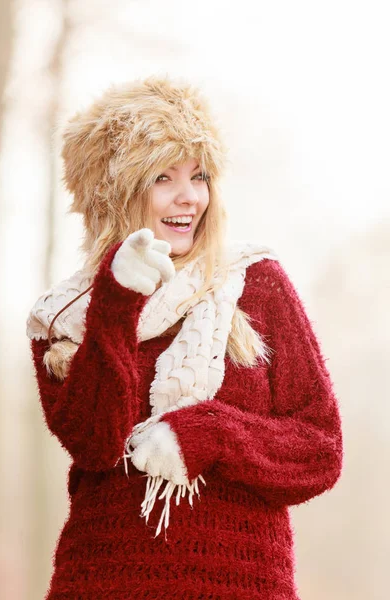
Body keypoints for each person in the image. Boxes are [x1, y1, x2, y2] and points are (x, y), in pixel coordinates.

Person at [26, 74, 343, 599]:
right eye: (162, 178)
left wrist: (210, 433)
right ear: (115, 191)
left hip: (241, 583)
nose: (189, 197)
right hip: (105, 579)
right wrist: (116, 302)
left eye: (199, 176)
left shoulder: (255, 282)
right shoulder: (64, 319)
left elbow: (320, 449)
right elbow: (96, 443)